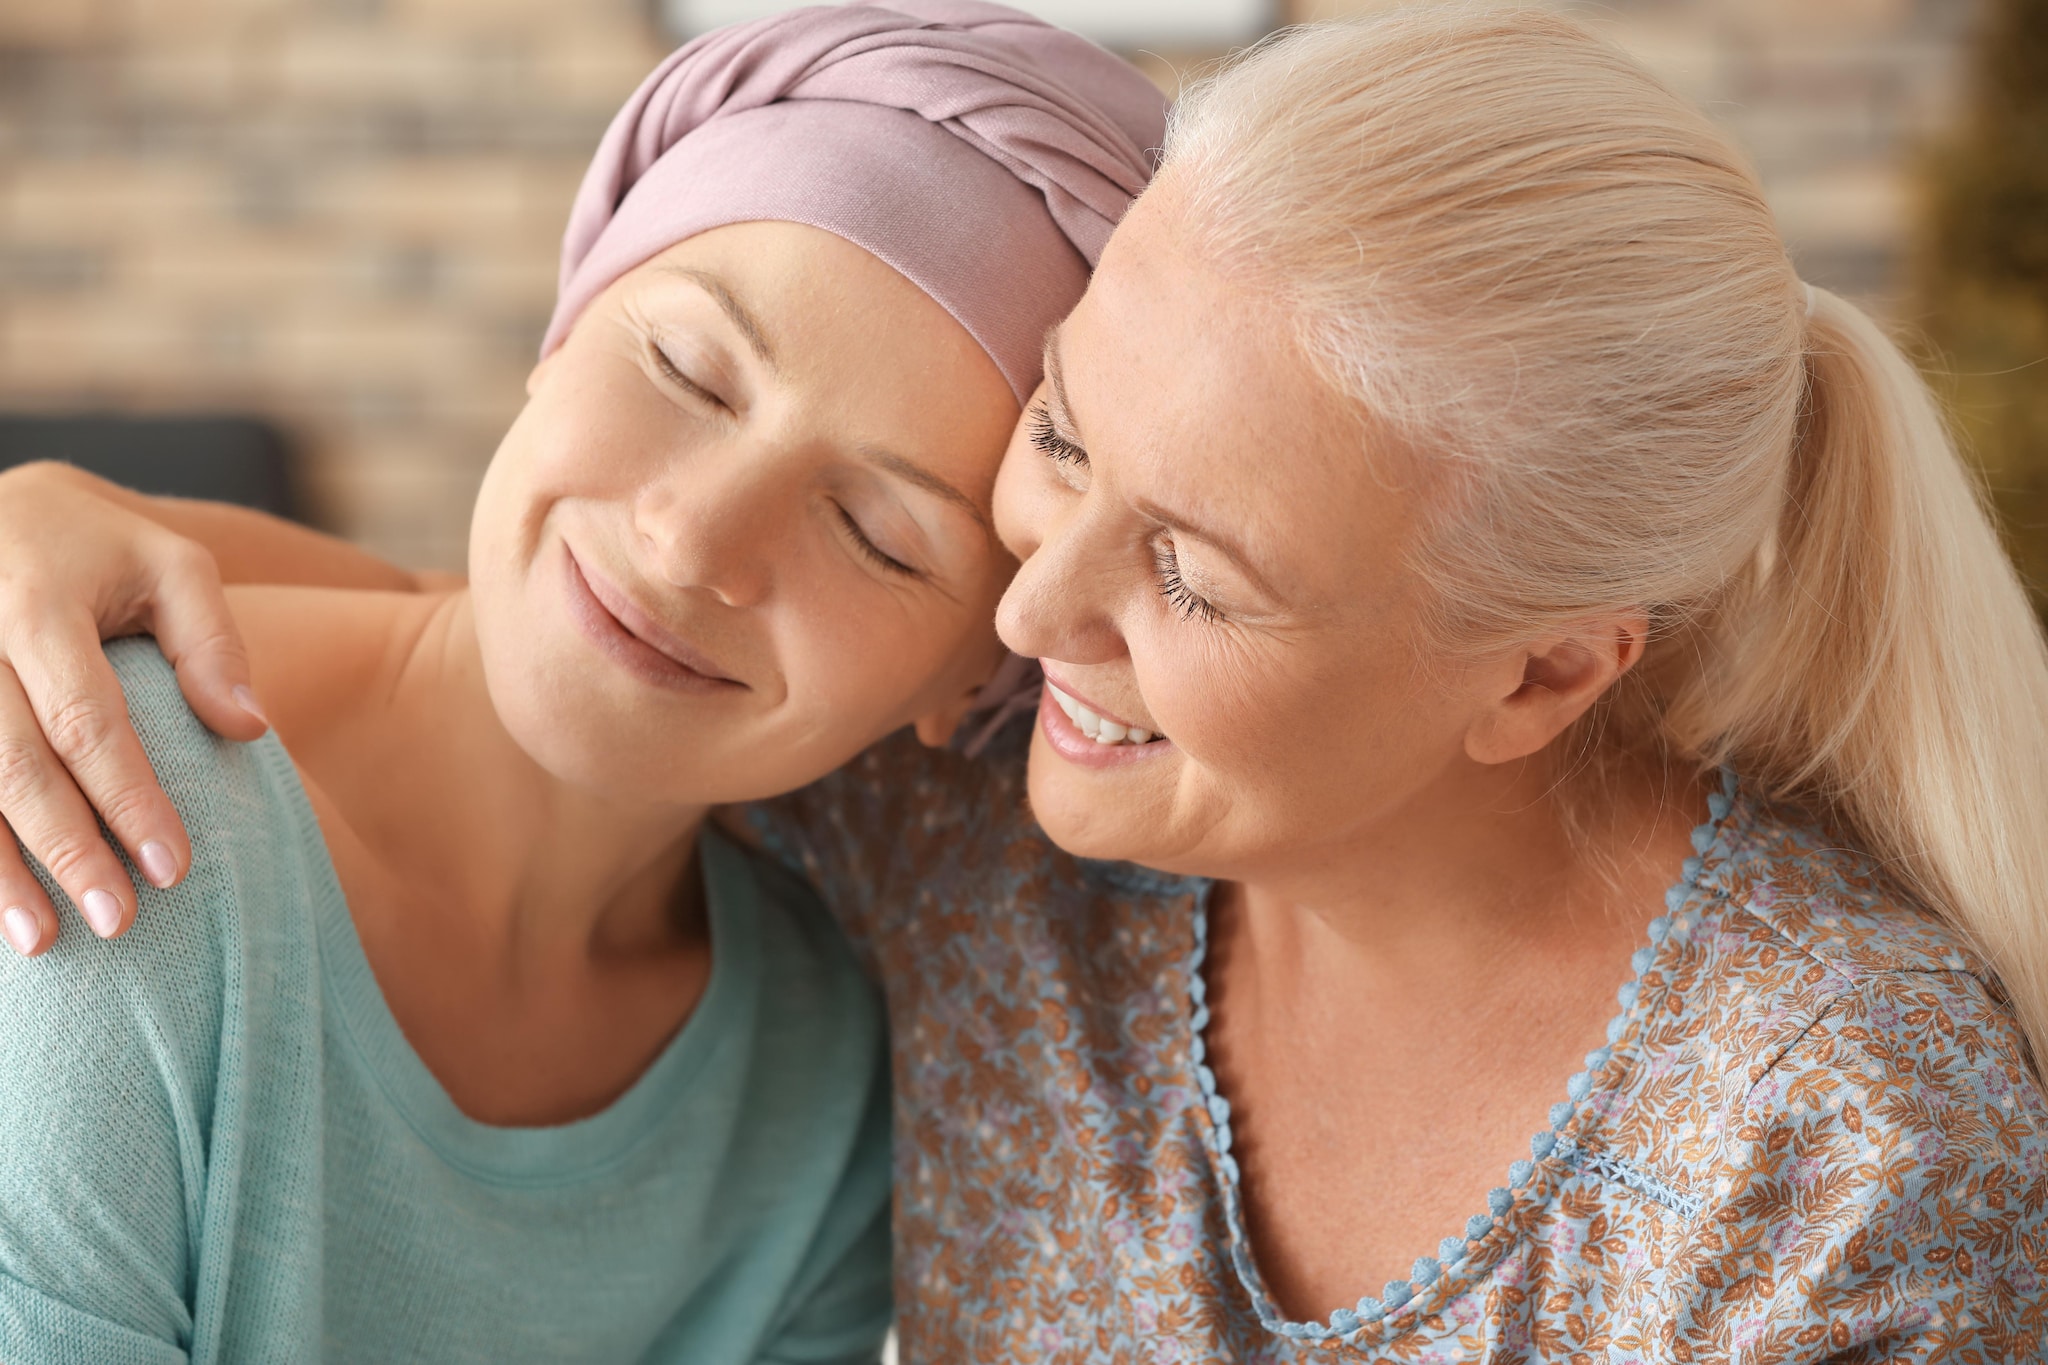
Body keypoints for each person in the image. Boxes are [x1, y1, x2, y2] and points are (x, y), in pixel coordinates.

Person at [4, 8, 2046, 1363]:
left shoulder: (1834, 1139)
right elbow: (570, 643)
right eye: (1061, 442)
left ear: (1536, 676)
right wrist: (56, 527)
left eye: (1190, 567)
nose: (1030, 606)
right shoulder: (999, 825)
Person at [0, 4, 1163, 1361]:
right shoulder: (98, 813)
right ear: (562, 330)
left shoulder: (814, 1088)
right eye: (681, 367)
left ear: (973, 682)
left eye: (877, 533)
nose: (692, 541)